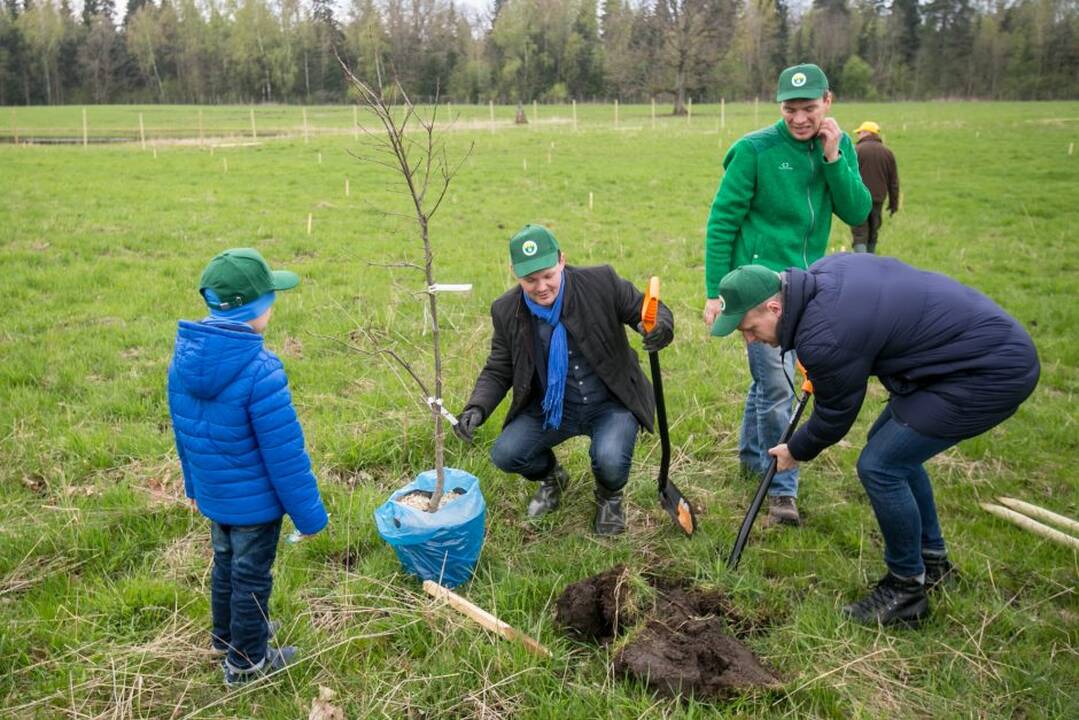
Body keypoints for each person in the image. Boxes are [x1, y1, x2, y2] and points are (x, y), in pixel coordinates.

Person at [710, 256, 1039, 627]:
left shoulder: (825, 335)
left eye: (749, 328)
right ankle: (933, 562)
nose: (750, 339)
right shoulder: (823, 274)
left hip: (988, 371)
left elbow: (835, 417)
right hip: (960, 352)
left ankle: (905, 591)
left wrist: (796, 450)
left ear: (774, 306)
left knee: (881, 465)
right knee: (888, 446)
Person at [703, 63, 871, 527]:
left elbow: (857, 209)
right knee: (780, 387)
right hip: (759, 293)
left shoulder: (837, 148)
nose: (799, 118)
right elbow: (721, 222)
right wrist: (717, 293)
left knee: (769, 383)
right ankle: (780, 490)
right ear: (779, 106)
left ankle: (752, 457)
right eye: (790, 109)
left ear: (828, 103)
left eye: (809, 108)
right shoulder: (756, 151)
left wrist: (835, 157)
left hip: (808, 287)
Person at [168, 248, 329, 685]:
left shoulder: (183, 361)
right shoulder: (261, 370)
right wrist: (310, 516)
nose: (274, 306)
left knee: (225, 566)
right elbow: (286, 456)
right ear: (255, 310)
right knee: (251, 577)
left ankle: (229, 636)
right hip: (255, 508)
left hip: (216, 496)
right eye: (270, 298)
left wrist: (194, 486)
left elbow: (184, 434)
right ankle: (246, 662)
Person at [454, 225, 674, 536]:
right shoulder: (506, 310)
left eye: (547, 275)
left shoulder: (601, 282)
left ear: (561, 260)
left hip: (611, 403)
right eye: (530, 280)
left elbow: (646, 309)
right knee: (506, 453)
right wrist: (477, 407)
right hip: (552, 409)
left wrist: (659, 326)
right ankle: (552, 477)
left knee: (610, 460)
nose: (541, 286)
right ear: (514, 273)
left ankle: (609, 497)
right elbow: (499, 367)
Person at [850, 121, 900, 254]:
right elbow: (893, 182)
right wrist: (894, 204)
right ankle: (871, 262)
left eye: (860, 132)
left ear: (867, 133)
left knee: (860, 233)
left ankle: (861, 264)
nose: (858, 135)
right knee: (873, 232)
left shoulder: (856, 151)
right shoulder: (888, 153)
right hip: (878, 199)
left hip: (858, 200)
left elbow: (847, 178)